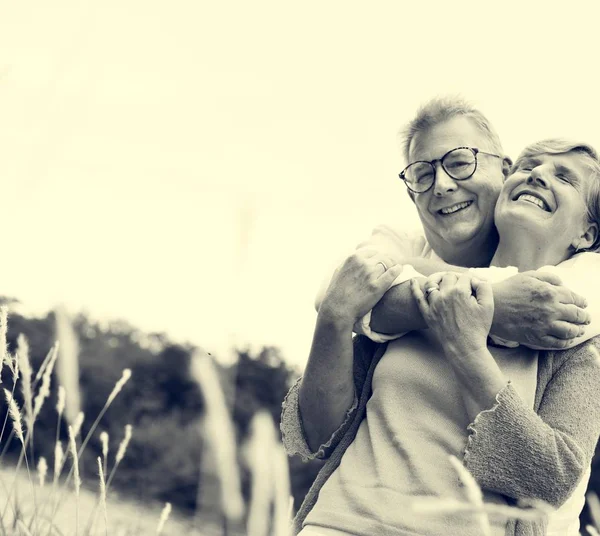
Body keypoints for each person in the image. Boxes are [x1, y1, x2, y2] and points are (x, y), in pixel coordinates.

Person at [281, 138, 600, 536]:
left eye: (564, 178)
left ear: (586, 235)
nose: (537, 174)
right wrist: (334, 316)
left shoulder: (578, 336)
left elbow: (547, 480)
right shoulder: (413, 300)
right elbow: (319, 435)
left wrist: (465, 344)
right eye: (528, 165)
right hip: (337, 525)